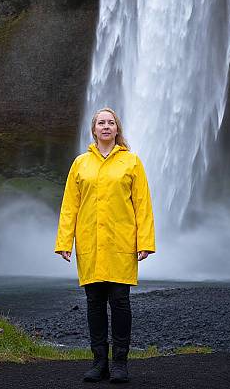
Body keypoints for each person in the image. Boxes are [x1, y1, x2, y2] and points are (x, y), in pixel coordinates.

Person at [55, 107, 156, 383]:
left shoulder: (132, 162)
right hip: (89, 242)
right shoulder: (80, 164)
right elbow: (69, 206)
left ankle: (120, 364)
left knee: (120, 302)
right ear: (94, 129)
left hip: (121, 243)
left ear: (117, 129)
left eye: (111, 122)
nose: (106, 127)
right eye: (101, 122)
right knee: (94, 304)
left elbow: (143, 205)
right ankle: (99, 362)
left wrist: (145, 241)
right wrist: (65, 241)